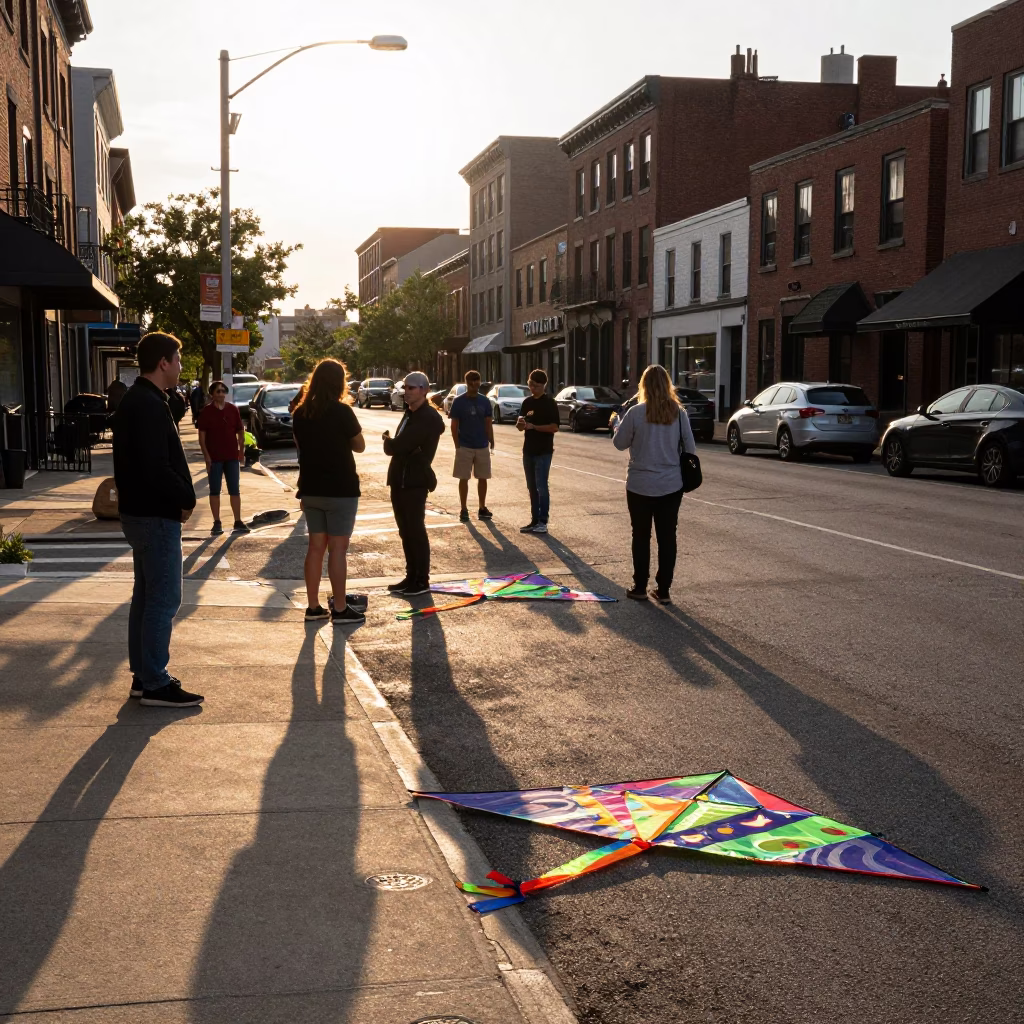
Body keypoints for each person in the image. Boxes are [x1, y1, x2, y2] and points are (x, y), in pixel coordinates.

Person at [112, 332, 203, 708]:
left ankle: (144, 676)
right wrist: (185, 496)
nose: (181, 367)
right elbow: (156, 467)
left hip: (142, 513)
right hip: (154, 515)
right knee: (163, 598)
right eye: (178, 360)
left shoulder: (142, 400)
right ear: (163, 363)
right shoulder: (147, 404)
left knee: (146, 598)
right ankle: (153, 680)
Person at [612, 363, 696, 604]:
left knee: (640, 535)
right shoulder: (679, 413)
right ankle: (664, 589)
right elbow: (690, 448)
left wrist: (617, 426)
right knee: (667, 536)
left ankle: (640, 586)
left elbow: (619, 444)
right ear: (667, 385)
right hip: (671, 484)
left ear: (644, 386)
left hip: (639, 484)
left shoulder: (636, 413)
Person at [292, 358, 366, 624]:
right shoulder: (342, 412)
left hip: (310, 489)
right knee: (337, 549)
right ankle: (340, 608)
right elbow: (360, 445)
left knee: (315, 548)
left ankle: (313, 607)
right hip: (340, 489)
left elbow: (300, 446)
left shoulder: (300, 413)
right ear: (339, 383)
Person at [382, 370, 444, 596]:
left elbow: (398, 446)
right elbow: (399, 446)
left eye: (411, 387)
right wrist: (394, 444)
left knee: (415, 530)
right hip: (400, 478)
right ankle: (411, 576)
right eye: (405, 387)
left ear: (424, 390)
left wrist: (390, 443)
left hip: (415, 480)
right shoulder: (410, 413)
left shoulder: (427, 417)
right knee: (405, 530)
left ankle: (421, 579)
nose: (406, 392)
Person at [196, 381, 250, 536]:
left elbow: (240, 431)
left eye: (223, 391)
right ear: (212, 394)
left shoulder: (233, 410)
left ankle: (238, 521)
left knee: (235, 490)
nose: (221, 394)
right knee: (214, 490)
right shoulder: (206, 412)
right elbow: (202, 437)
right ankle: (217, 522)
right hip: (215, 458)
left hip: (231, 457)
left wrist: (241, 451)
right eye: (218, 391)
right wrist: (207, 457)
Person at [516, 368, 559, 534]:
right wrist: (520, 423)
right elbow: (521, 425)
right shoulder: (527, 403)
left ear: (543, 385)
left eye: (535, 385)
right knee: (531, 486)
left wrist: (534, 427)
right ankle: (534, 520)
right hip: (528, 450)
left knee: (542, 486)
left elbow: (554, 427)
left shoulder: (549, 403)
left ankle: (543, 520)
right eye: (530, 385)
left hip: (543, 451)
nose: (532, 388)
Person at [449, 369, 494, 522]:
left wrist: (491, 439)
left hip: (481, 445)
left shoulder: (485, 401)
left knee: (483, 477)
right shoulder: (459, 401)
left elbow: (488, 422)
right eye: (471, 382)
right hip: (465, 445)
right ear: (467, 383)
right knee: (464, 478)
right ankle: (463, 508)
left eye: (477, 381)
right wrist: (457, 445)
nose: (475, 384)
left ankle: (482, 507)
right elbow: (454, 425)